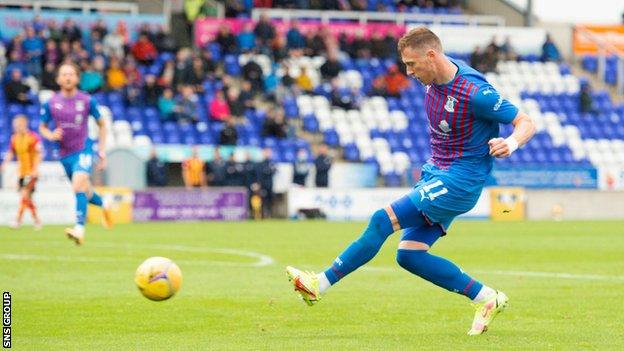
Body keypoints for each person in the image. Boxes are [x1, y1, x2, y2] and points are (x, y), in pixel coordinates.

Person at [286, 27, 536, 336]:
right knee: (410, 255)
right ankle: (486, 298)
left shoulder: (475, 92)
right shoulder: (434, 78)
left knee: (381, 220)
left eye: (412, 64)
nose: (409, 72)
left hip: (460, 180)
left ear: (431, 56)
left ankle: (318, 284)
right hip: (438, 173)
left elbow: (525, 122)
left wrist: (510, 143)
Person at [40, 62, 113, 245]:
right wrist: (51, 134)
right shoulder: (51, 102)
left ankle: (79, 229)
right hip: (65, 154)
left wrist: (102, 150)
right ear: (58, 79)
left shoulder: (87, 100)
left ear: (77, 78)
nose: (67, 77)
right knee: (85, 191)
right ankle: (105, 203)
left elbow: (102, 124)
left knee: (78, 185)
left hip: (84, 148)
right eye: (64, 74)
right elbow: (42, 127)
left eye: (71, 74)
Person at [1, 115, 42, 230]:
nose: (16, 128)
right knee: (27, 198)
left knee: (24, 194)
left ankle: (18, 221)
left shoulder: (33, 138)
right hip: (22, 173)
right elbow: (11, 152)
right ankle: (37, 221)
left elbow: (39, 154)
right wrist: (4, 164)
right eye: (15, 126)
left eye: (18, 125)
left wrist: (35, 169)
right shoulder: (14, 138)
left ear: (24, 124)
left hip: (31, 172)